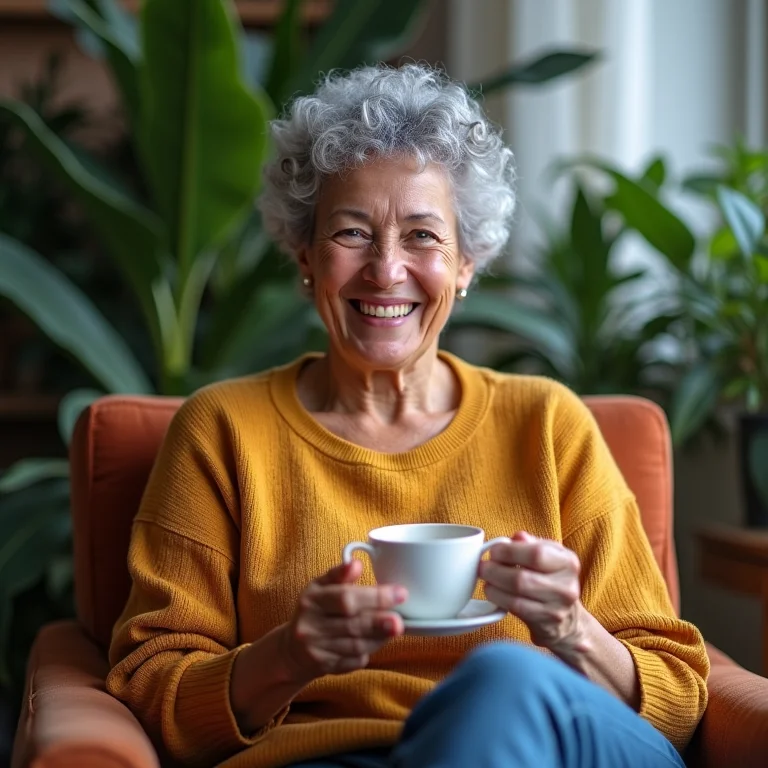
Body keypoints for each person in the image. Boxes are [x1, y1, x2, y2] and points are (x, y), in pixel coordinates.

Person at [106, 63, 709, 768]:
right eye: (353, 233)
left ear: (466, 262)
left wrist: (571, 627)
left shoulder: (549, 425)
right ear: (305, 255)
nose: (386, 271)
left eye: (422, 236)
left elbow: (678, 698)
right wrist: (288, 655)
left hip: (543, 743)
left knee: (505, 681)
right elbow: (151, 686)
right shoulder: (224, 431)